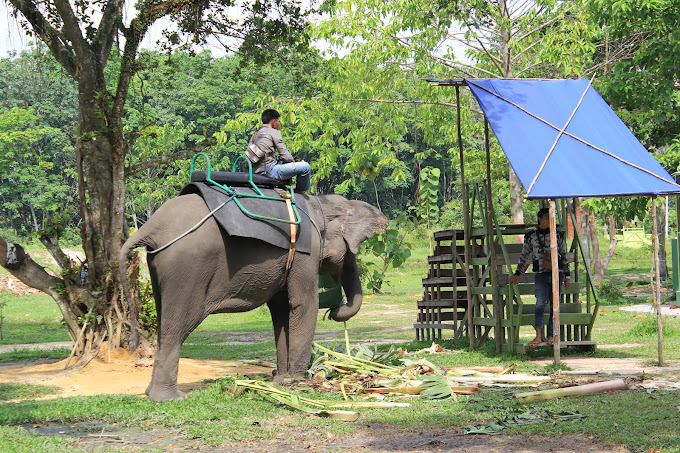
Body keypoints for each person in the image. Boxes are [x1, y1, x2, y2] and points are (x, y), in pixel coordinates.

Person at [508, 207, 571, 347]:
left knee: (555, 305)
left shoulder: (558, 235)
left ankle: (550, 335)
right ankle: (538, 336)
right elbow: (524, 256)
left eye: (551, 217)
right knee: (540, 304)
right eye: (547, 217)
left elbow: (565, 257)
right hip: (541, 275)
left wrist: (567, 276)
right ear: (540, 219)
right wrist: (517, 274)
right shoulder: (531, 236)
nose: (550, 220)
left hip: (557, 274)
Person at [249, 108, 311, 192]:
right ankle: (299, 191)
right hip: (269, 171)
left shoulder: (256, 134)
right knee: (305, 167)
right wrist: (295, 162)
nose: (279, 124)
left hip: (253, 171)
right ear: (273, 121)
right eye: (278, 121)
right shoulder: (273, 132)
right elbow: (285, 155)